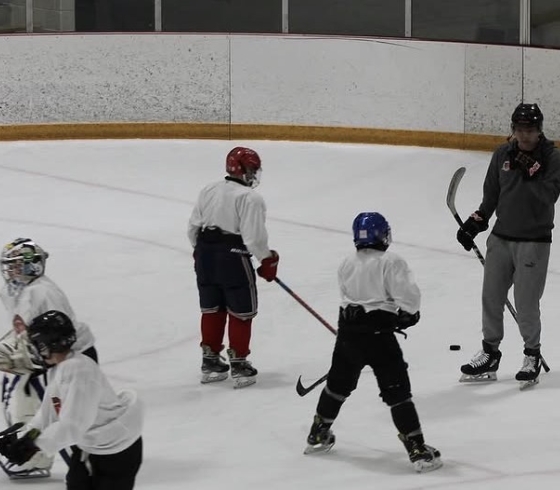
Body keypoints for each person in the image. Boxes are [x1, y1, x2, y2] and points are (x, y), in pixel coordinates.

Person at [304, 212, 442, 473]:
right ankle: (417, 448)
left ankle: (318, 432)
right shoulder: (391, 261)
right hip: (379, 339)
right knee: (397, 392)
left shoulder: (346, 262)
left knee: (338, 385)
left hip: (348, 335)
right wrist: (408, 315)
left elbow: (348, 299)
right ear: (382, 234)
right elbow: (409, 300)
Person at [457, 103, 560, 385]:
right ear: (513, 130)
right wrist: (475, 223)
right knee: (491, 297)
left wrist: (533, 172)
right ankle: (490, 353)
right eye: (520, 130)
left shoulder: (553, 158)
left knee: (526, 303)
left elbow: (548, 197)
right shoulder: (502, 154)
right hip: (501, 238)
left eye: (530, 130)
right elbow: (491, 196)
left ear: (540, 131)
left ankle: (532, 354)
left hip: (534, 241)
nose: (525, 136)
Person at [0, 310, 143, 489]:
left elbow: (72, 425)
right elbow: (48, 415)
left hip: (117, 449)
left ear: (49, 345)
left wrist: (34, 446)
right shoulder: (58, 369)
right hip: (92, 445)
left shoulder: (78, 371)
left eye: (36, 344)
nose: (33, 349)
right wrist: (25, 437)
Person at [0, 238, 97, 478]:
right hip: (46, 357)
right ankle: (34, 458)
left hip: (68, 358)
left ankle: (84, 465)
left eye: (15, 265)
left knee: (59, 414)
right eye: (8, 265)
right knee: (22, 401)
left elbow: (62, 333)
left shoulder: (42, 291)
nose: (9, 270)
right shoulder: (18, 288)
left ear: (31, 265)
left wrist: (35, 358)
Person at [188, 147, 279, 389]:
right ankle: (239, 364)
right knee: (241, 310)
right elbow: (253, 238)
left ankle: (210, 362)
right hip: (233, 257)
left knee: (212, 308)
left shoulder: (209, 189)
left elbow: (193, 226)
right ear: (239, 169)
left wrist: (200, 252)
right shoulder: (250, 198)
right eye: (250, 170)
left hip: (205, 255)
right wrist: (267, 260)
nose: (252, 175)